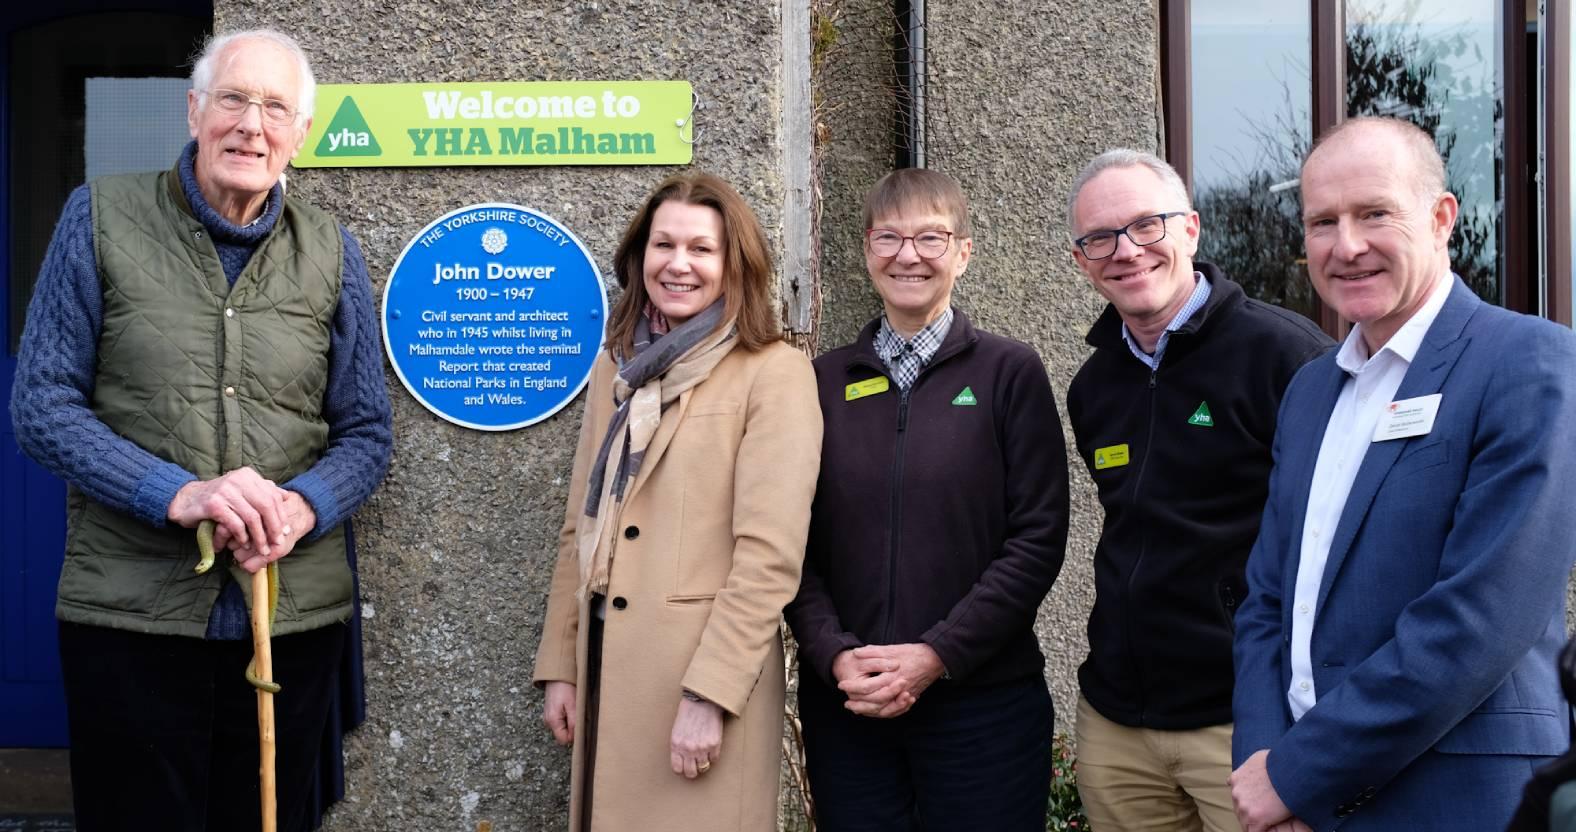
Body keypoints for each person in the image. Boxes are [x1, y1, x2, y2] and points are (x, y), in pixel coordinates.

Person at [9, 28, 393, 832]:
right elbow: (42, 408)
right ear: (194, 110)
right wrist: (178, 493)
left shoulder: (330, 251)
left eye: (276, 108)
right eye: (234, 99)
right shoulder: (100, 218)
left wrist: (302, 507)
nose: (253, 126)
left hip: (287, 624)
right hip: (131, 619)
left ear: (302, 135)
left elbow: (366, 433)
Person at [1229, 116, 1576, 832]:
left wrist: (1296, 773)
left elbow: (1479, 620)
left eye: (1374, 213)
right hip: (1307, 805)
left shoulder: (1530, 362)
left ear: (1441, 217)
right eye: (1322, 221)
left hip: (1461, 799)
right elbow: (1268, 598)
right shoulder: (1312, 390)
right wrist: (1266, 763)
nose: (1346, 245)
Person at [531, 172, 821, 832]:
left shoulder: (773, 372)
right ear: (639, 257)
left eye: (701, 249)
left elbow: (768, 558)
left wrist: (709, 695)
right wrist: (562, 666)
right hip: (607, 671)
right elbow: (580, 523)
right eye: (664, 245)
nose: (679, 264)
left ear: (734, 264)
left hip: (697, 685)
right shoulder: (618, 367)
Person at [785, 168, 1070, 830]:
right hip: (850, 709)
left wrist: (936, 654)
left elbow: (1036, 540)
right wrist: (832, 653)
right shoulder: (821, 383)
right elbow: (788, 541)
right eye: (889, 237)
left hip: (983, 709)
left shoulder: (1009, 373)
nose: (907, 255)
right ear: (865, 251)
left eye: (931, 238)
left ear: (963, 252)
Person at [1064, 150, 1330, 831]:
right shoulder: (1094, 387)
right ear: (1081, 260)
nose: (1126, 251)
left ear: (1191, 229)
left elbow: (1333, 542)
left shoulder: (1285, 356)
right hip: (1119, 723)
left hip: (1245, 721)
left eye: (1146, 225)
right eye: (1100, 237)